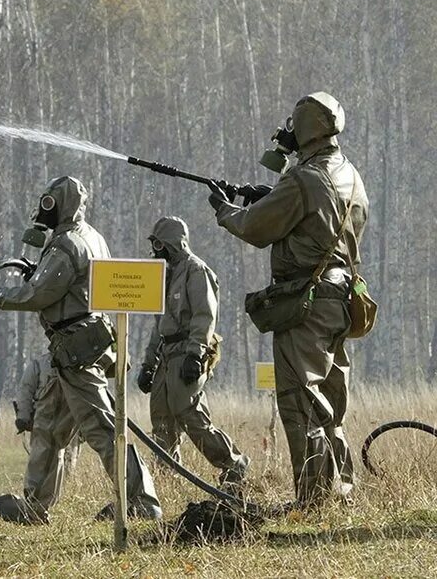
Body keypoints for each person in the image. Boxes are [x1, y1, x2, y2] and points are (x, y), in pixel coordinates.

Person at [0, 176, 161, 524]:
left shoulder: (66, 244)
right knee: (50, 428)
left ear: (56, 204)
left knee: (103, 429)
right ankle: (34, 506)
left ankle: (142, 501)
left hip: (77, 352)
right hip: (80, 348)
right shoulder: (92, 237)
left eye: (48, 204)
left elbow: (37, 295)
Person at [207, 92, 367, 509]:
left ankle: (313, 500)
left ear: (305, 128)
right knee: (331, 400)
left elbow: (255, 228)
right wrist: (269, 195)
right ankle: (340, 492)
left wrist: (225, 210)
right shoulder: (350, 174)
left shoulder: (303, 179)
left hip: (307, 302)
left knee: (300, 399)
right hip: (341, 299)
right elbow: (316, 219)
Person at [137, 216, 249, 486]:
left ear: (171, 243)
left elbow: (204, 315)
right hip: (167, 354)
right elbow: (158, 323)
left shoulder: (196, 270)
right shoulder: (164, 275)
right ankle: (166, 476)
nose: (155, 250)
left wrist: (195, 354)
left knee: (190, 414)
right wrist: (148, 363)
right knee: (161, 417)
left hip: (187, 352)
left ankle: (233, 463)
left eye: (159, 243)